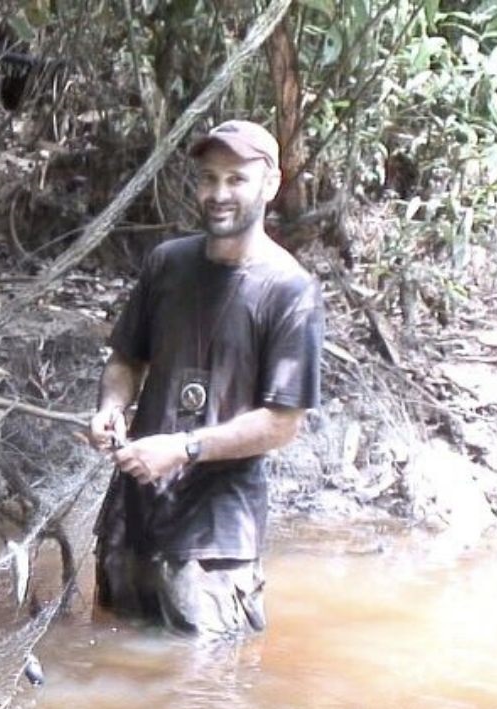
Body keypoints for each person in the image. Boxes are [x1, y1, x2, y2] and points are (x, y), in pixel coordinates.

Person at [89, 119, 325, 638]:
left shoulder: (290, 291)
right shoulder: (167, 264)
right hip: (133, 518)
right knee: (109, 653)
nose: (219, 194)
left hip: (216, 541)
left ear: (270, 184)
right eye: (209, 178)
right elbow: (127, 360)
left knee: (198, 691)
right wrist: (110, 409)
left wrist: (185, 448)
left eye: (236, 180)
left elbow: (283, 423)